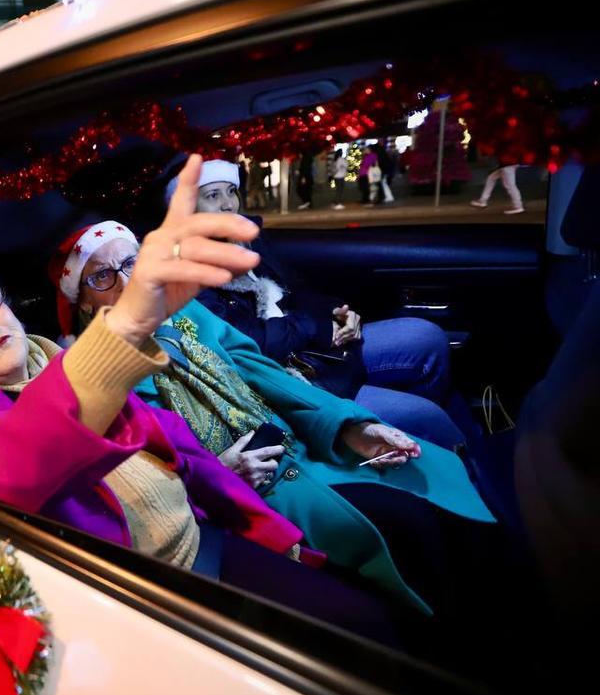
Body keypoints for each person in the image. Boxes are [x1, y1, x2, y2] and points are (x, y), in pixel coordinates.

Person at [0, 156, 404, 633]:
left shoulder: (66, 363)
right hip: (145, 598)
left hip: (214, 532)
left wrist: (273, 535)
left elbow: (185, 452)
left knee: (377, 595)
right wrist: (129, 325)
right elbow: (11, 470)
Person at [51, 220, 496, 612]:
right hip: (251, 499)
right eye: (104, 276)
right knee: (407, 525)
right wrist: (220, 477)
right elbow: (138, 480)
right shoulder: (97, 373)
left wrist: (353, 427)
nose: (127, 282)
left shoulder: (184, 311)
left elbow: (265, 375)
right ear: (85, 301)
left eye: (132, 263)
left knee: (434, 484)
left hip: (302, 451)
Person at [167, 159, 467, 450]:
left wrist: (339, 313)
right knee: (427, 418)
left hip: (313, 350)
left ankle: (432, 456)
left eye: (231, 191)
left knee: (425, 337)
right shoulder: (188, 271)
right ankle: (451, 466)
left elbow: (297, 289)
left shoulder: (246, 240)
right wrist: (319, 326)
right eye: (212, 196)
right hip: (288, 379)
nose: (228, 204)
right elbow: (249, 344)